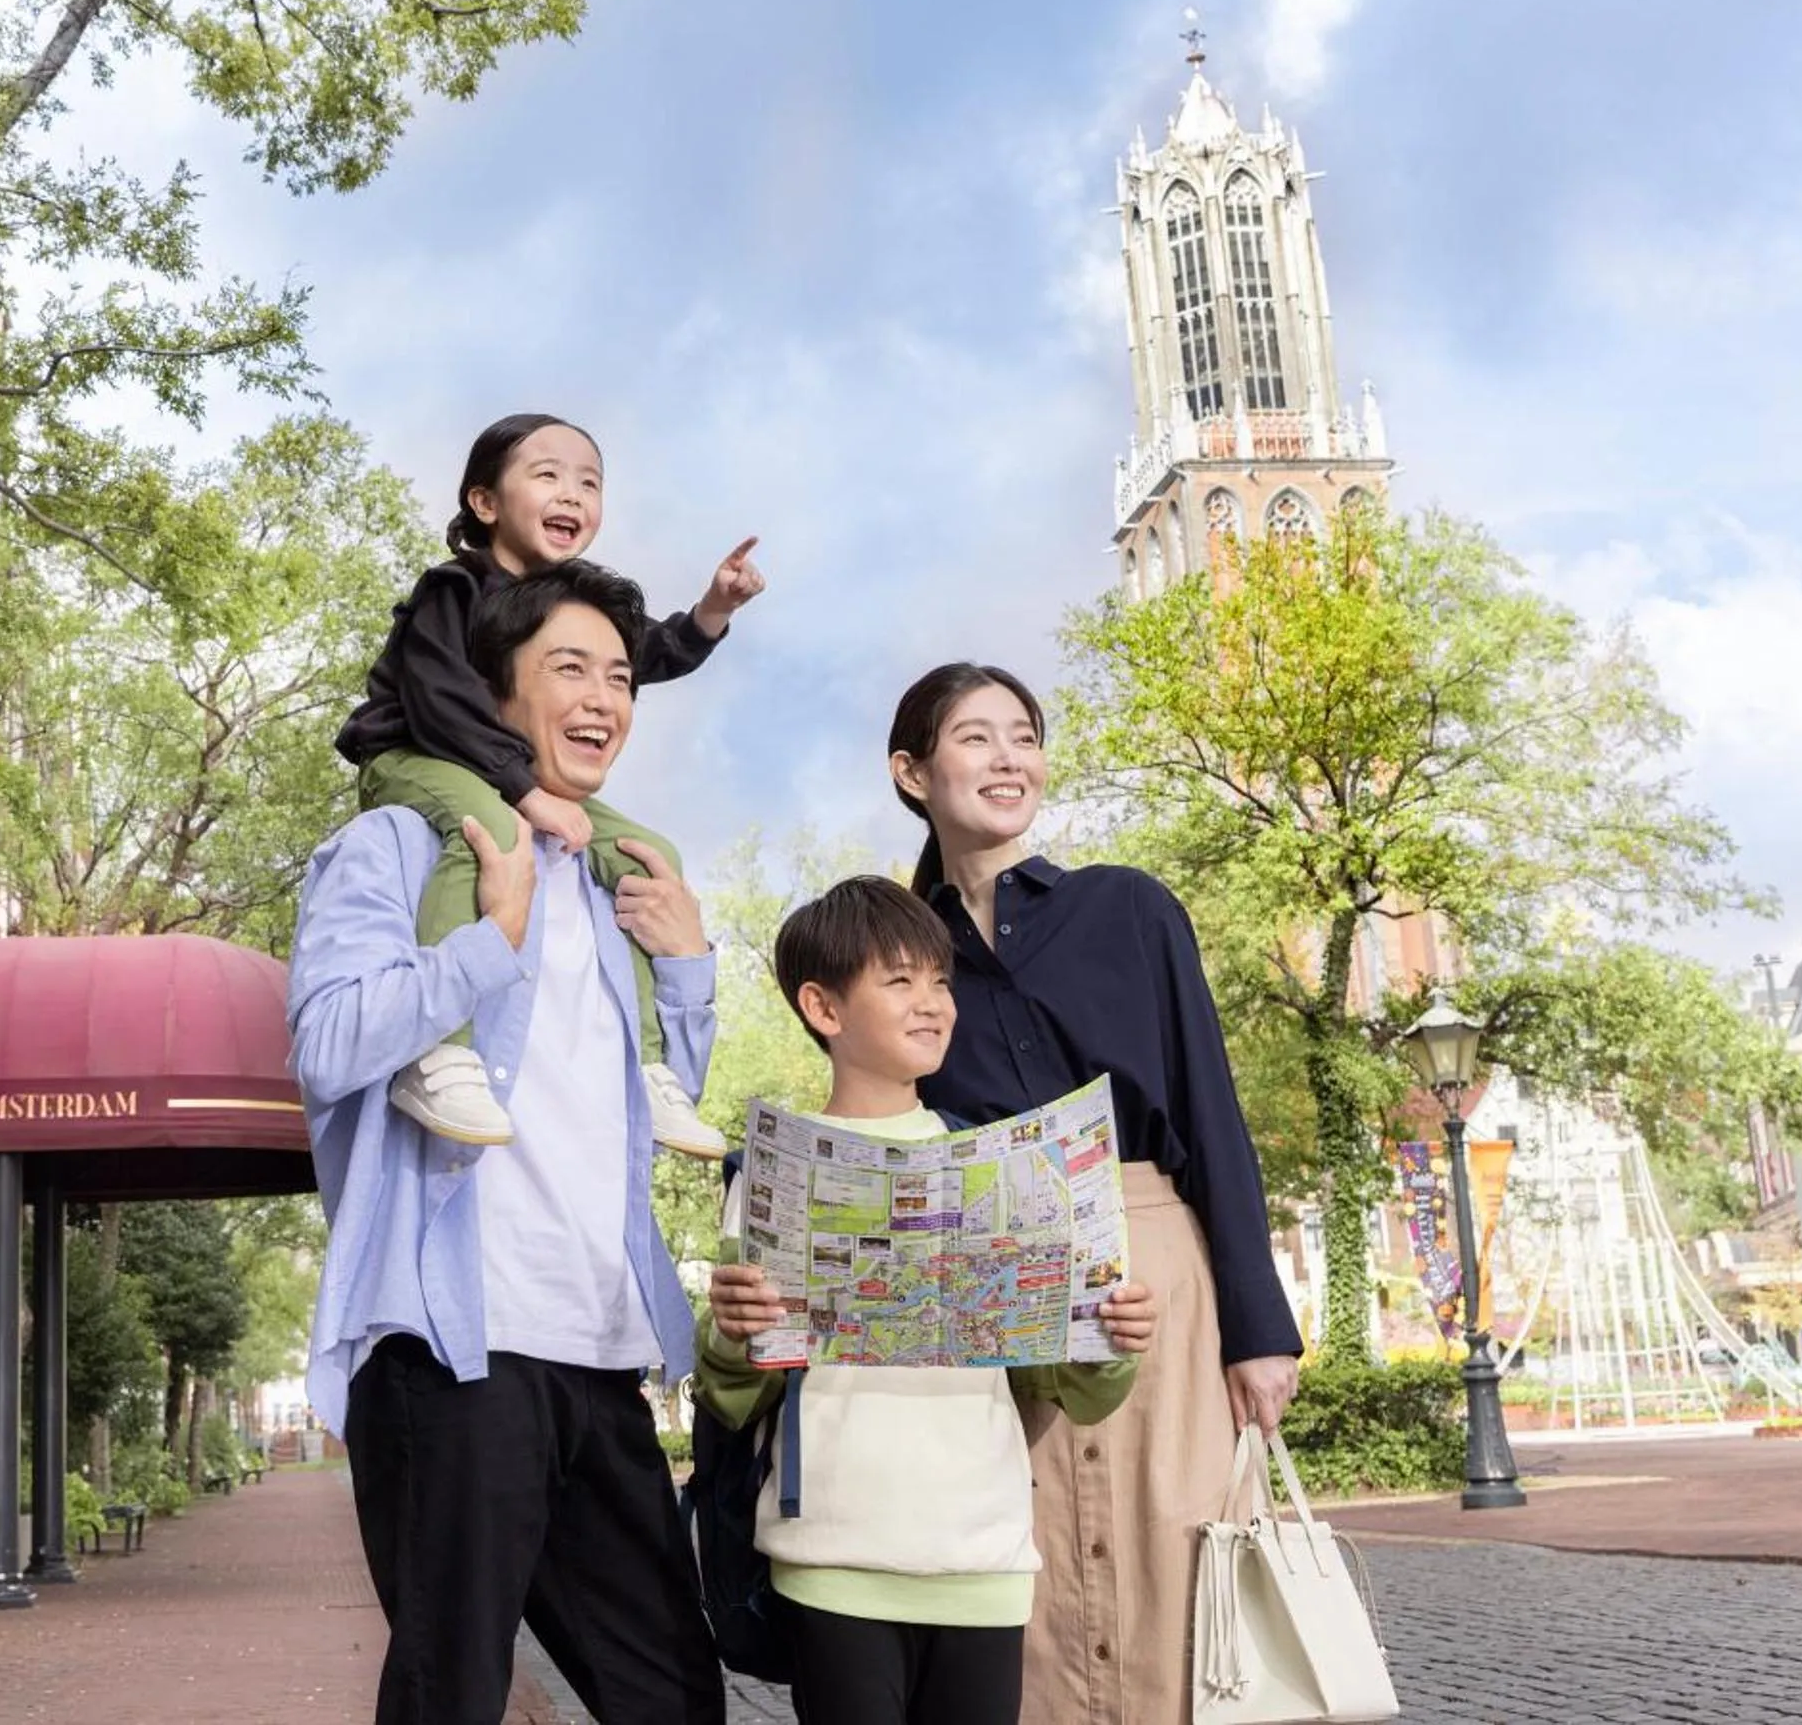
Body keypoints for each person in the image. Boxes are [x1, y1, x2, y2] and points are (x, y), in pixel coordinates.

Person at [292, 560, 727, 1725]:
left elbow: (646, 1107)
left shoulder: (608, 877)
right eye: (568, 669)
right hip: (453, 1352)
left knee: (673, 1697)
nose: (604, 698)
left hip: (598, 1349)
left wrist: (686, 968)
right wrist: (484, 945)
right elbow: (328, 1046)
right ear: (492, 698)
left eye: (623, 676)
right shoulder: (396, 844)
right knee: (450, 1696)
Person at [884, 662, 1305, 1725]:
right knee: (1029, 1573)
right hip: (999, 1275)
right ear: (911, 772)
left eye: (1022, 735)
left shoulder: (1127, 908)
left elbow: (1211, 1112)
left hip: (1155, 1258)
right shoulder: (905, 955)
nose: (1007, 757)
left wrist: (1260, 1329)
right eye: (975, 737)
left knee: (1183, 1549)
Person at [699, 876, 1158, 1725]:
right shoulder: (771, 1174)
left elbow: (1070, 1389)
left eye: (940, 981)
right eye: (900, 981)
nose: (932, 1004)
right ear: (823, 1008)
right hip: (834, 1554)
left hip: (981, 1555)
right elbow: (735, 1393)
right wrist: (733, 1333)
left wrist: (1112, 1339)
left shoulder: (1005, 1169)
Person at [337, 412, 764, 1160]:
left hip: (508, 770)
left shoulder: (572, 606)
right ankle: (440, 1050)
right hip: (416, 751)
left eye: (590, 481)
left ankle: (652, 1067)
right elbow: (439, 700)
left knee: (642, 851)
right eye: (548, 475)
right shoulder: (454, 590)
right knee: (494, 836)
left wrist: (711, 613)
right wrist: (525, 793)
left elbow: (646, 652)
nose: (573, 493)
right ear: (485, 503)